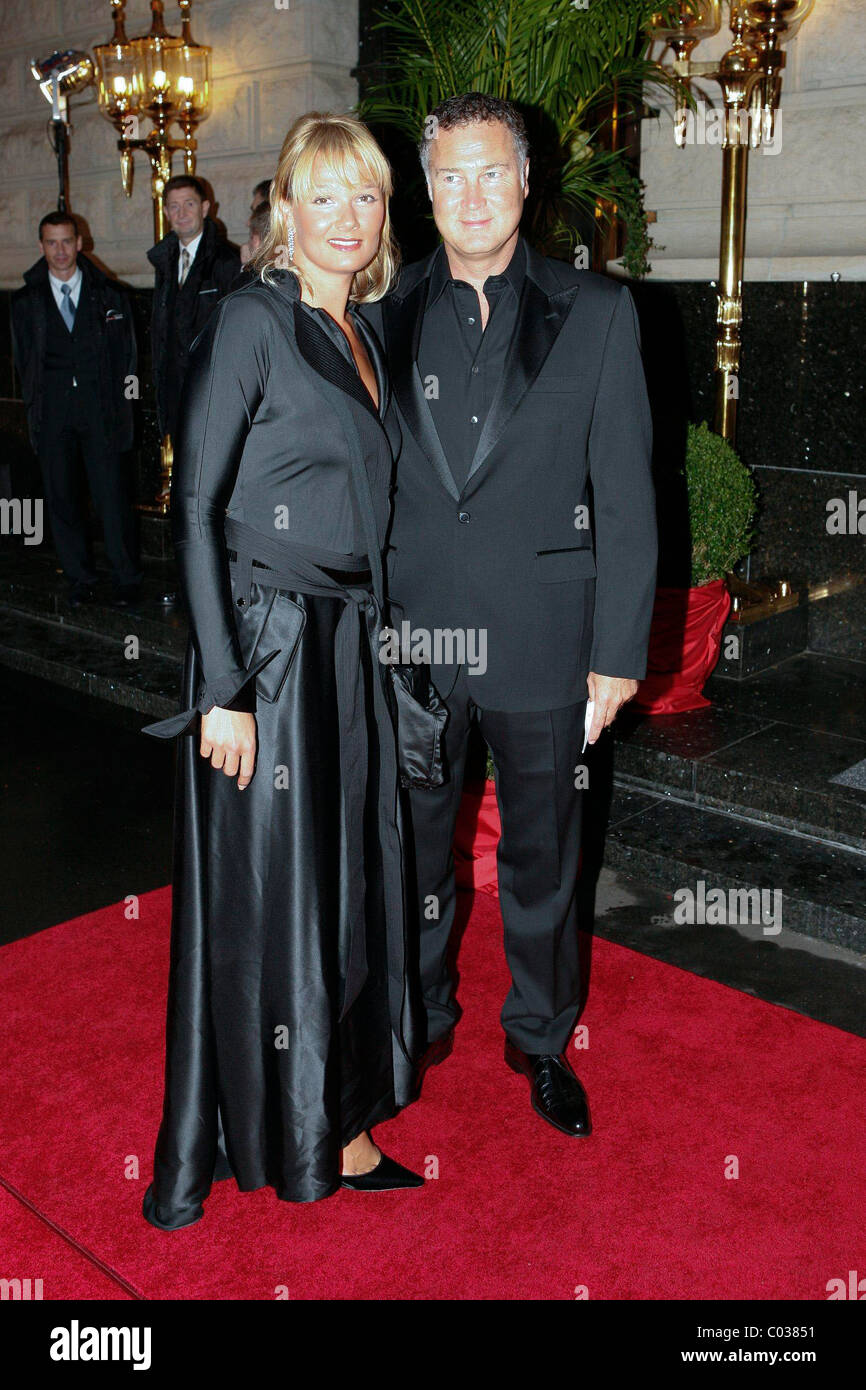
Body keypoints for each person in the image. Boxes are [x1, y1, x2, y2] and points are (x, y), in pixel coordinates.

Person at [140, 112, 426, 1230]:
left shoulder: (362, 330)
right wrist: (222, 686)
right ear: (282, 211)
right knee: (281, 909)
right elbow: (197, 508)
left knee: (350, 896)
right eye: (324, 195)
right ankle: (293, 1132)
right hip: (268, 647)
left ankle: (337, 1118)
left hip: (350, 643)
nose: (347, 217)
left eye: (365, 197)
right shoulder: (250, 322)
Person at [360, 93, 657, 1138]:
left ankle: (538, 1035)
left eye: (491, 173)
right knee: (414, 853)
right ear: (425, 191)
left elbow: (623, 493)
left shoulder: (598, 311)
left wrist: (617, 655)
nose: (470, 196)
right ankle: (419, 1018)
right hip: (415, 645)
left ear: (526, 183)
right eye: (449, 176)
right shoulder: (381, 311)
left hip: (546, 644)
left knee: (544, 857)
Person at [11, 212, 142, 607]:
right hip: (53, 416)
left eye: (67, 241)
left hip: (100, 411)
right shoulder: (25, 301)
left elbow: (129, 358)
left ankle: (126, 578)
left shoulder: (110, 295)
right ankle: (80, 578)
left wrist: (125, 410)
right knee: (62, 499)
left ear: (80, 243)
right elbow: (24, 363)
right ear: (41, 247)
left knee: (111, 498)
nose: (61, 251)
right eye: (52, 243)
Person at [147, 176, 240, 448]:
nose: (182, 213)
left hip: (213, 394)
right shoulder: (164, 262)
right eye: (174, 207)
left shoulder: (226, 262)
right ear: (165, 213)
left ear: (205, 207)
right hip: (175, 391)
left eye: (189, 204)